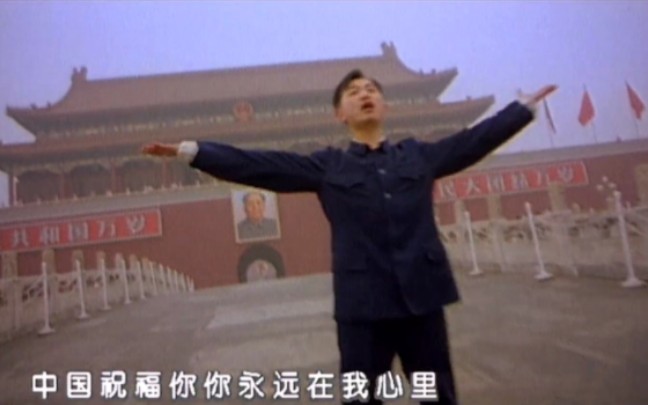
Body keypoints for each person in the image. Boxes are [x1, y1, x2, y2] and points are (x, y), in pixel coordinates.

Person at [142, 69, 556, 404]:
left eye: (371, 89)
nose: (364, 94)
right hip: (363, 309)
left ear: (384, 105)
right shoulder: (329, 168)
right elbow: (261, 165)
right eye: (353, 92)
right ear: (340, 114)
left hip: (423, 302)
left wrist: (521, 110)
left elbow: (472, 142)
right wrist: (193, 152)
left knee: (436, 395)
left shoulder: (418, 157)